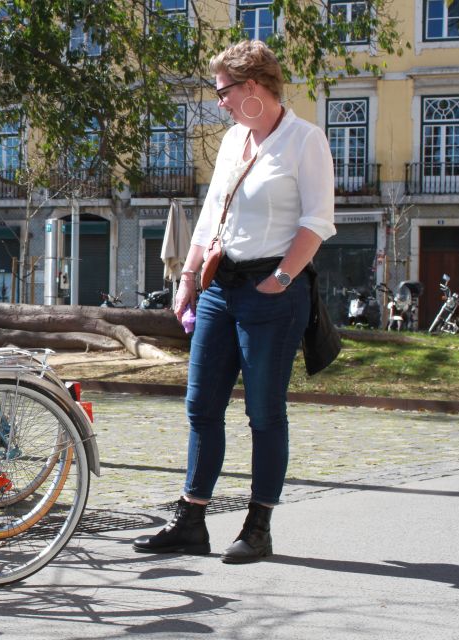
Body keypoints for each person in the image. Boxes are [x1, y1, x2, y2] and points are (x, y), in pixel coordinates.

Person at [132, 40, 336, 564]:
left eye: (223, 90)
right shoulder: (231, 141)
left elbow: (317, 221)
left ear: (252, 87)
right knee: (201, 405)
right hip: (221, 288)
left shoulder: (304, 141)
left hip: (273, 293)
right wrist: (188, 276)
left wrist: (283, 277)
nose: (218, 100)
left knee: (265, 412)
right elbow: (209, 216)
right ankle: (191, 520)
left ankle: (258, 525)